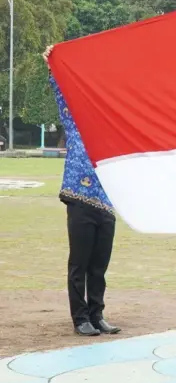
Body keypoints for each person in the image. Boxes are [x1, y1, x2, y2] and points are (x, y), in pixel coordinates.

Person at [44, 46, 121, 337]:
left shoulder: (115, 134)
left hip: (106, 203)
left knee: (99, 265)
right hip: (79, 199)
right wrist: (54, 67)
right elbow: (62, 95)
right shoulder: (76, 125)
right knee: (80, 261)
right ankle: (80, 318)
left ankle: (97, 314)